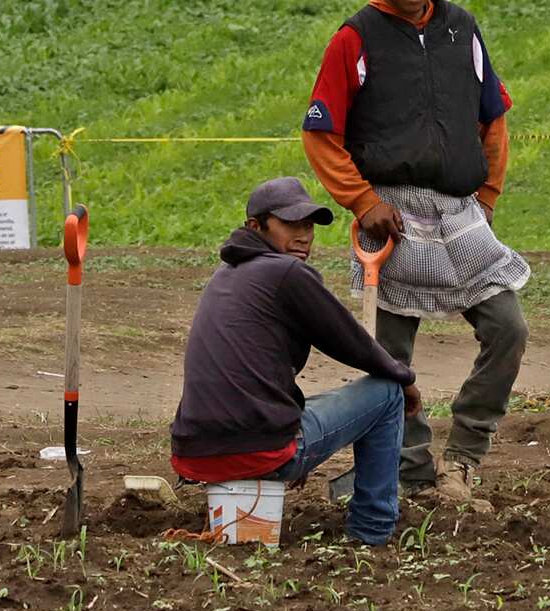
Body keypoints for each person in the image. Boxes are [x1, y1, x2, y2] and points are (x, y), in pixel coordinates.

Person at [303, 0, 528, 510]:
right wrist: (365, 201)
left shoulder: (462, 30)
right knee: (388, 355)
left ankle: (466, 459)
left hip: (460, 211)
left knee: (508, 326)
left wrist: (486, 199)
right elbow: (322, 134)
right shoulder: (355, 38)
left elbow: (493, 119)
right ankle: (410, 469)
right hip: (390, 216)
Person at [170, 176, 420, 546]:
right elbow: (352, 343)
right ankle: (373, 532)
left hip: (197, 454)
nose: (303, 235)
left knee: (325, 404)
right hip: (257, 451)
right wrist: (405, 378)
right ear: (256, 226)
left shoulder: (225, 277)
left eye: (309, 226)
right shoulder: (285, 273)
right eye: (290, 224)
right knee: (387, 393)